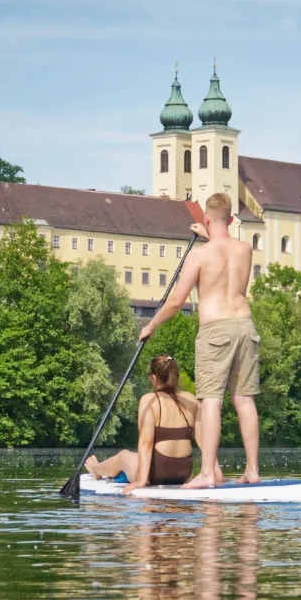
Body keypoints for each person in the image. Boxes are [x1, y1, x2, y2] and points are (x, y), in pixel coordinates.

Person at [139, 192, 260, 488]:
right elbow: (223, 248)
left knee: (211, 402)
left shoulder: (199, 255)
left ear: (206, 217)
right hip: (245, 325)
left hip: (215, 329)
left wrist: (152, 325)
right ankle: (253, 470)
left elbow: (177, 300)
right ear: (231, 219)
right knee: (244, 399)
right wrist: (209, 233)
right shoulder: (245, 249)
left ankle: (207, 474)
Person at [84, 354, 198, 493]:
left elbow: (146, 442)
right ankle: (98, 468)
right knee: (131, 457)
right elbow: (204, 439)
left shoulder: (149, 400)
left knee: (123, 456)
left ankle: (96, 469)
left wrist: (141, 481)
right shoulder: (191, 399)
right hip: (184, 473)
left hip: (156, 474)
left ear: (154, 378)